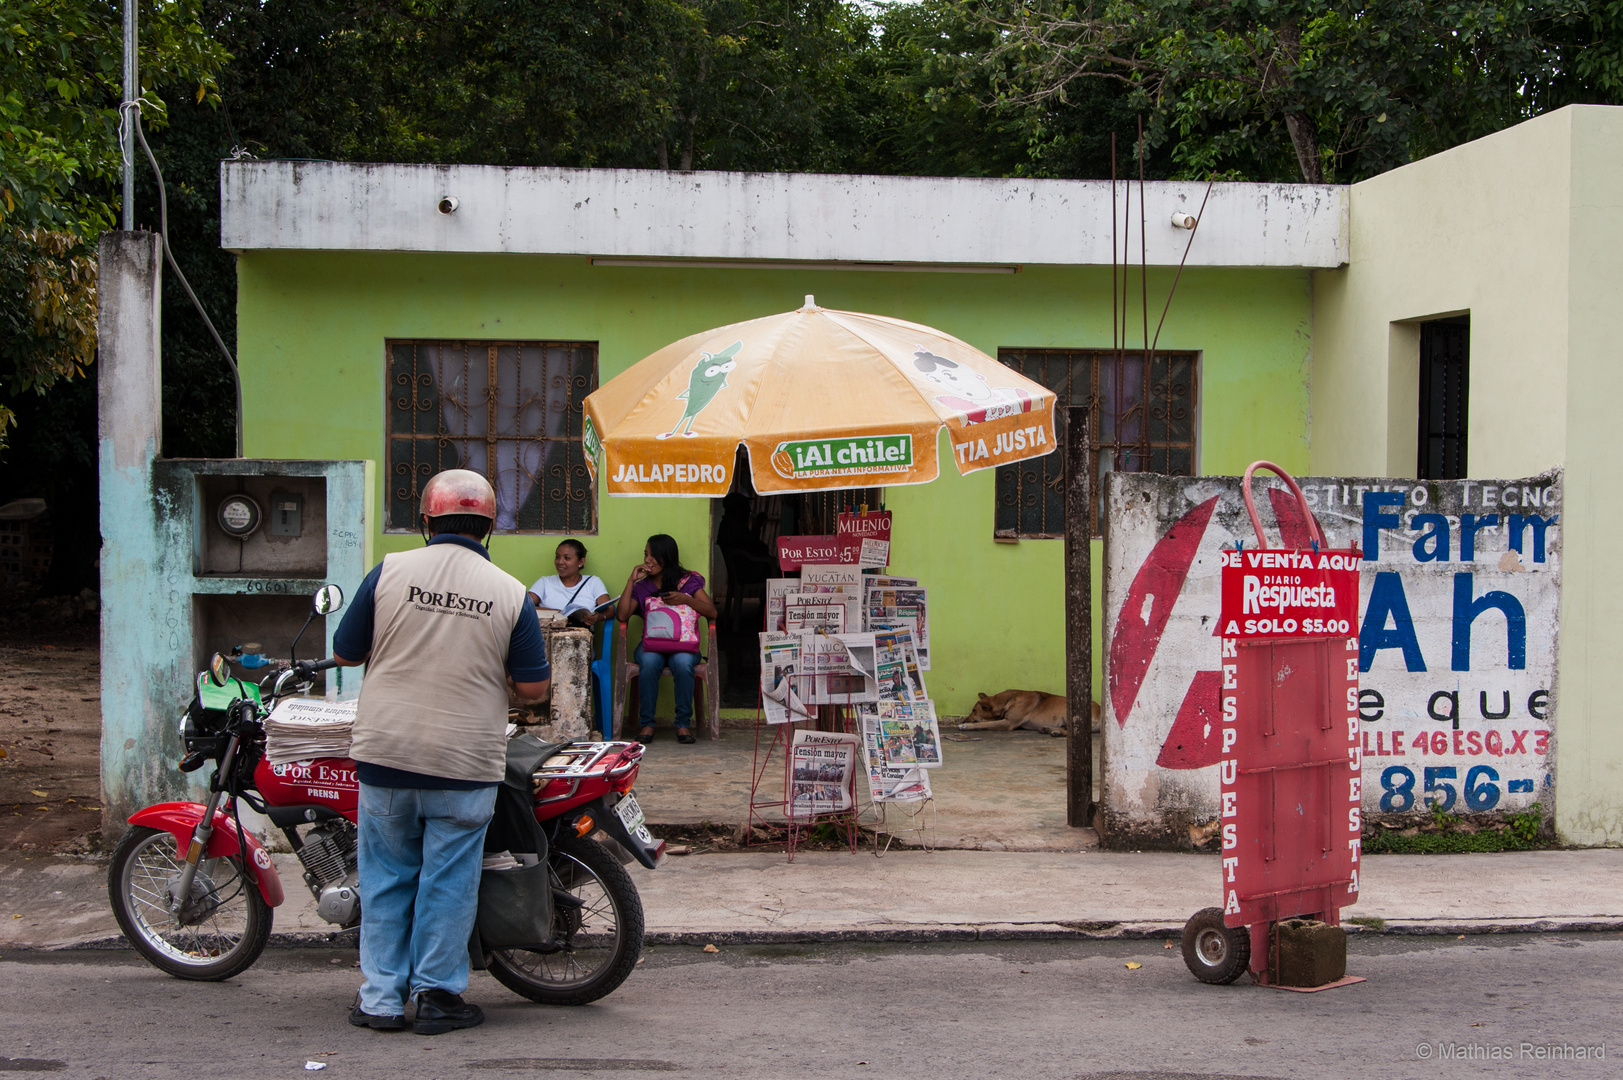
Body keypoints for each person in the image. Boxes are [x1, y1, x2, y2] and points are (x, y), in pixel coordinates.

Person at [330, 469, 550, 1035]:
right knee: (449, 881)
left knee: (386, 878)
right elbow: (534, 690)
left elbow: (347, 653)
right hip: (463, 763)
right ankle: (437, 998)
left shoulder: (389, 572)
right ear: (490, 527)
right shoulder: (509, 591)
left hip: (386, 752)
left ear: (425, 522)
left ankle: (380, 1000)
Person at [615, 533, 717, 744]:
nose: (647, 560)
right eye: (646, 555)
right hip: (652, 644)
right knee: (650, 663)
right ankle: (647, 723)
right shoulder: (643, 586)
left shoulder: (688, 582)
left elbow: (712, 612)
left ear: (667, 557)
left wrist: (685, 600)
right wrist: (631, 580)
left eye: (653, 555)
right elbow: (622, 616)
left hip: (684, 644)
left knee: (683, 662)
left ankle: (682, 724)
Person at [527, 539, 611, 626]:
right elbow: (524, 606)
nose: (560, 562)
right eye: (557, 557)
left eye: (567, 558)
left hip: (580, 636)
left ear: (581, 562)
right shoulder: (545, 582)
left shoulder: (593, 582)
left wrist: (598, 617)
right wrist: (558, 613)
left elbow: (610, 610)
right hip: (546, 636)